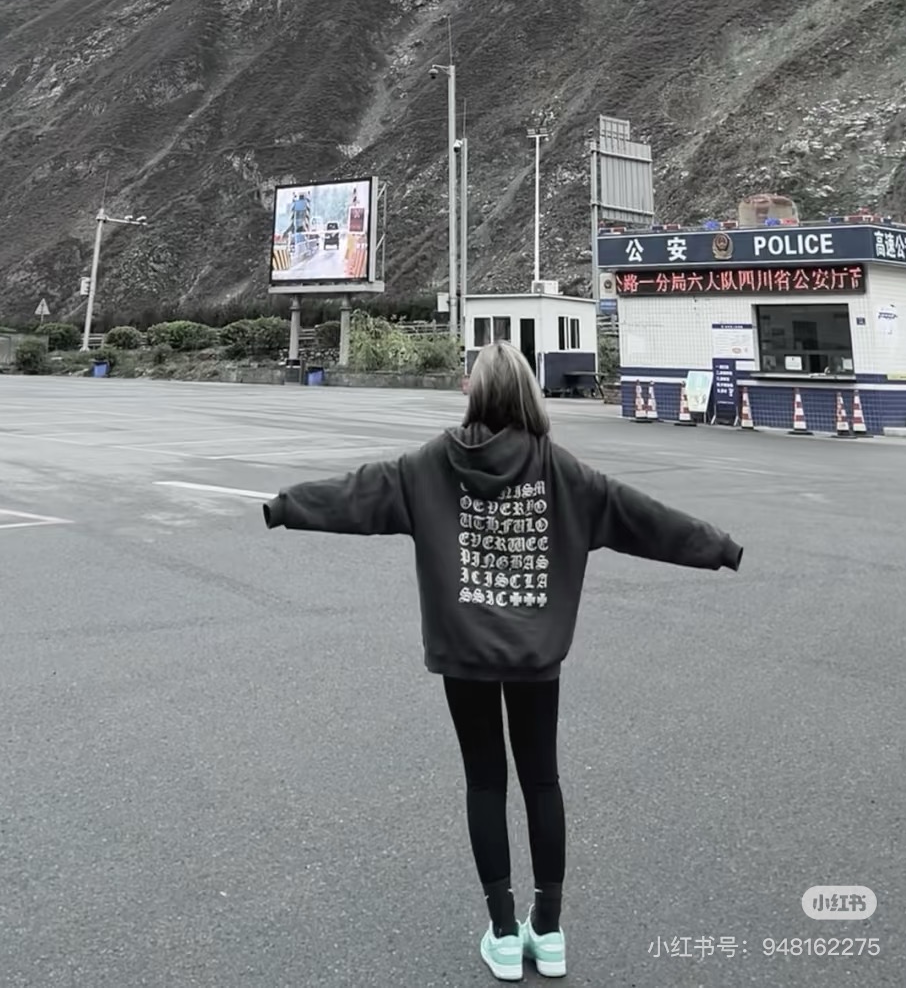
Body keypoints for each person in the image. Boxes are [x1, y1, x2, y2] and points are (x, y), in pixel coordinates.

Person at [262, 341, 743, 981]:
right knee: (542, 781)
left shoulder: (431, 466)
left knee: (485, 783)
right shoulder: (561, 471)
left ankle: (504, 931)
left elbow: (357, 493)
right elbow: (642, 517)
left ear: (478, 393)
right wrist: (719, 548)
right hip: (536, 656)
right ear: (527, 393)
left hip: (464, 654)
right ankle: (549, 931)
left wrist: (286, 506)